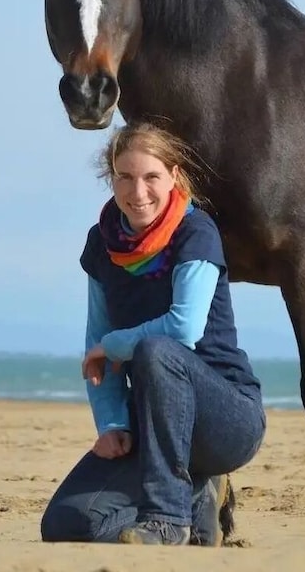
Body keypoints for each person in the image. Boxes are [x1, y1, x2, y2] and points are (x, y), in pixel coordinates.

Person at [40, 122, 266, 546]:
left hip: (228, 420)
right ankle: (198, 501)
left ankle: (168, 518)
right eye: (125, 177)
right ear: (111, 178)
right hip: (155, 426)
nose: (137, 191)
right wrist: (111, 423)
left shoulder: (195, 232)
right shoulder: (102, 245)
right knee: (64, 525)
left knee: (156, 350)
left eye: (151, 177)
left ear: (174, 177)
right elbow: (98, 341)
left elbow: (184, 328)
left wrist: (112, 347)